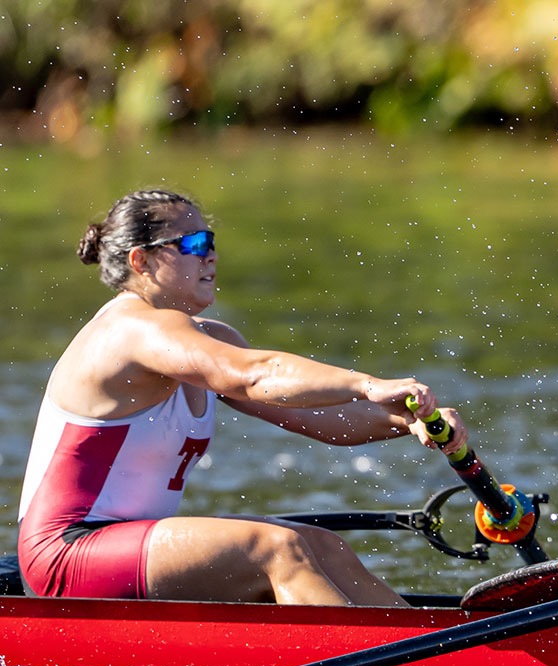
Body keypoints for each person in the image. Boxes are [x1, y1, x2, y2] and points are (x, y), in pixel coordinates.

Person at [17, 188, 468, 606]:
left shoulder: (206, 342)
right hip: (65, 552)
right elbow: (255, 375)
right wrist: (369, 384)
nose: (210, 256)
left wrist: (406, 421)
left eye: (210, 241)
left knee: (323, 546)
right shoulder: (130, 330)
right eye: (193, 244)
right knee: (277, 548)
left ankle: (435, 654)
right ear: (142, 261)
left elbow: (324, 420)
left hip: (126, 543)